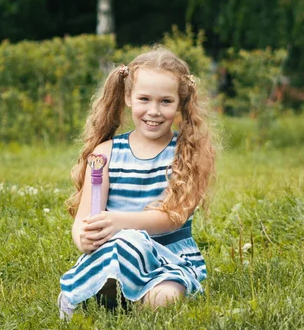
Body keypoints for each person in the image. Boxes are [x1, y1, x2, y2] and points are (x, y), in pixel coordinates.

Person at [58, 47, 216, 319]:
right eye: (144, 99)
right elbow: (84, 217)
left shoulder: (189, 153)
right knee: (122, 246)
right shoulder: (105, 154)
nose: (153, 111)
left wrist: (120, 222)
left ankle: (113, 296)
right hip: (115, 252)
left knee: (164, 298)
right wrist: (82, 239)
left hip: (167, 259)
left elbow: (174, 217)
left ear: (180, 103)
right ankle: (101, 291)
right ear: (129, 97)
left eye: (165, 101)